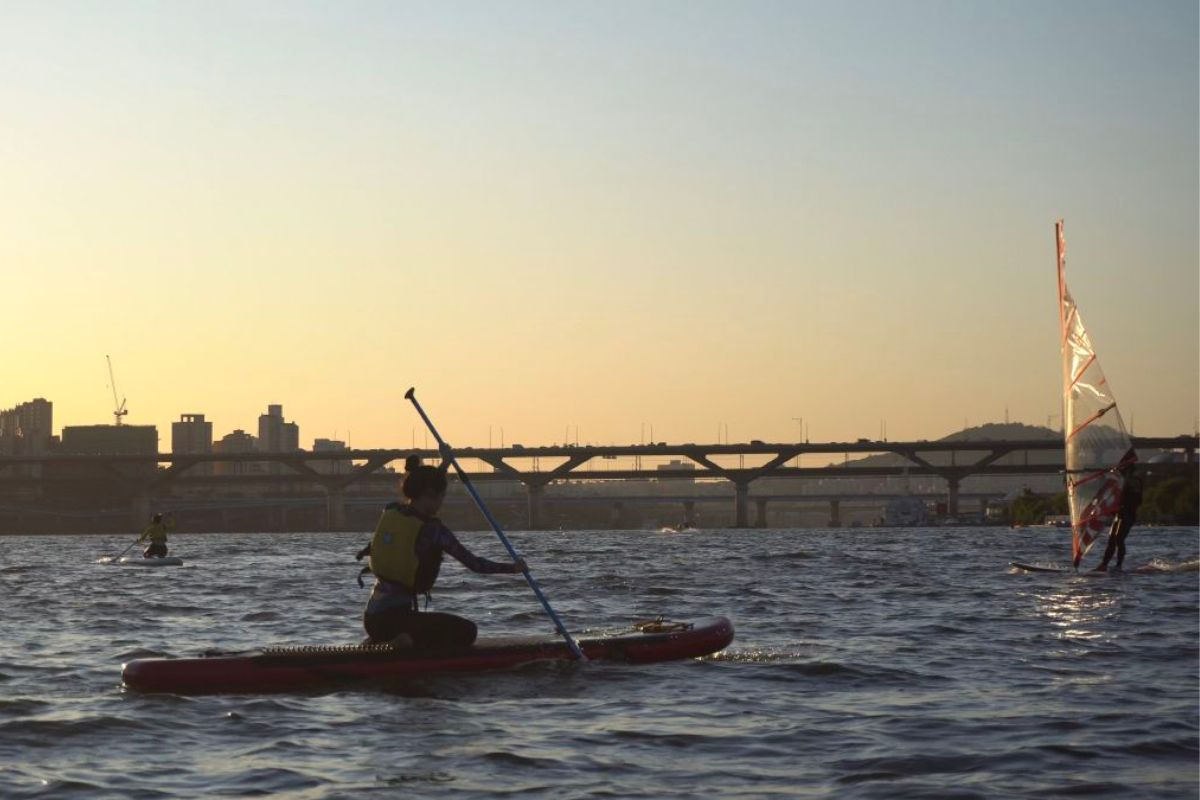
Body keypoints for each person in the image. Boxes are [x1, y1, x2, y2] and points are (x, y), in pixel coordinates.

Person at [361, 453, 526, 649]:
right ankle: (404, 642)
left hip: (372, 620)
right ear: (431, 494)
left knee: (415, 623)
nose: (441, 503)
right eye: (441, 497)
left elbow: (426, 482)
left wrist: (444, 466)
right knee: (467, 631)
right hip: (398, 621)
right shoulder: (434, 530)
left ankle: (380, 640)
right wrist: (513, 568)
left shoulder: (391, 510)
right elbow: (474, 564)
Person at [1095, 466, 1144, 572]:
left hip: (1128, 514)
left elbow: (1136, 500)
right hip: (1119, 514)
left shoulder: (1134, 481)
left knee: (1119, 539)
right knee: (1111, 539)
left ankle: (1118, 566)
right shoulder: (1121, 481)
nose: (1120, 472)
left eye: (1122, 470)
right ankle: (1104, 565)